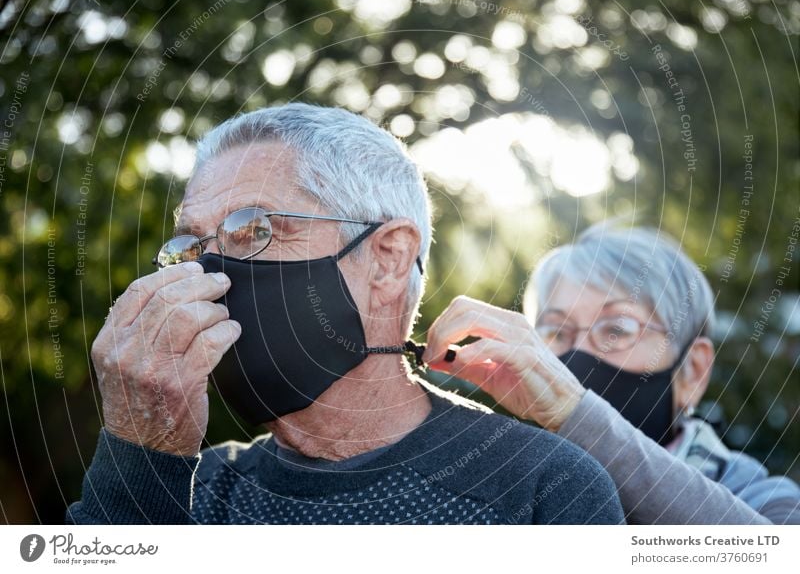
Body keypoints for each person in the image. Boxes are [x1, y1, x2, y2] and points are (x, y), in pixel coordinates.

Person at [65, 104, 624, 525]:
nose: (209, 269)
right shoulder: (188, 490)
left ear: (385, 259)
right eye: (191, 243)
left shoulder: (541, 489)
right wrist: (140, 454)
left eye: (253, 229)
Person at [422, 223, 800, 524]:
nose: (581, 354)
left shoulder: (759, 495)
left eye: (617, 330)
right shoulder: (509, 489)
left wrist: (575, 414)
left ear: (693, 371)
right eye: (557, 332)